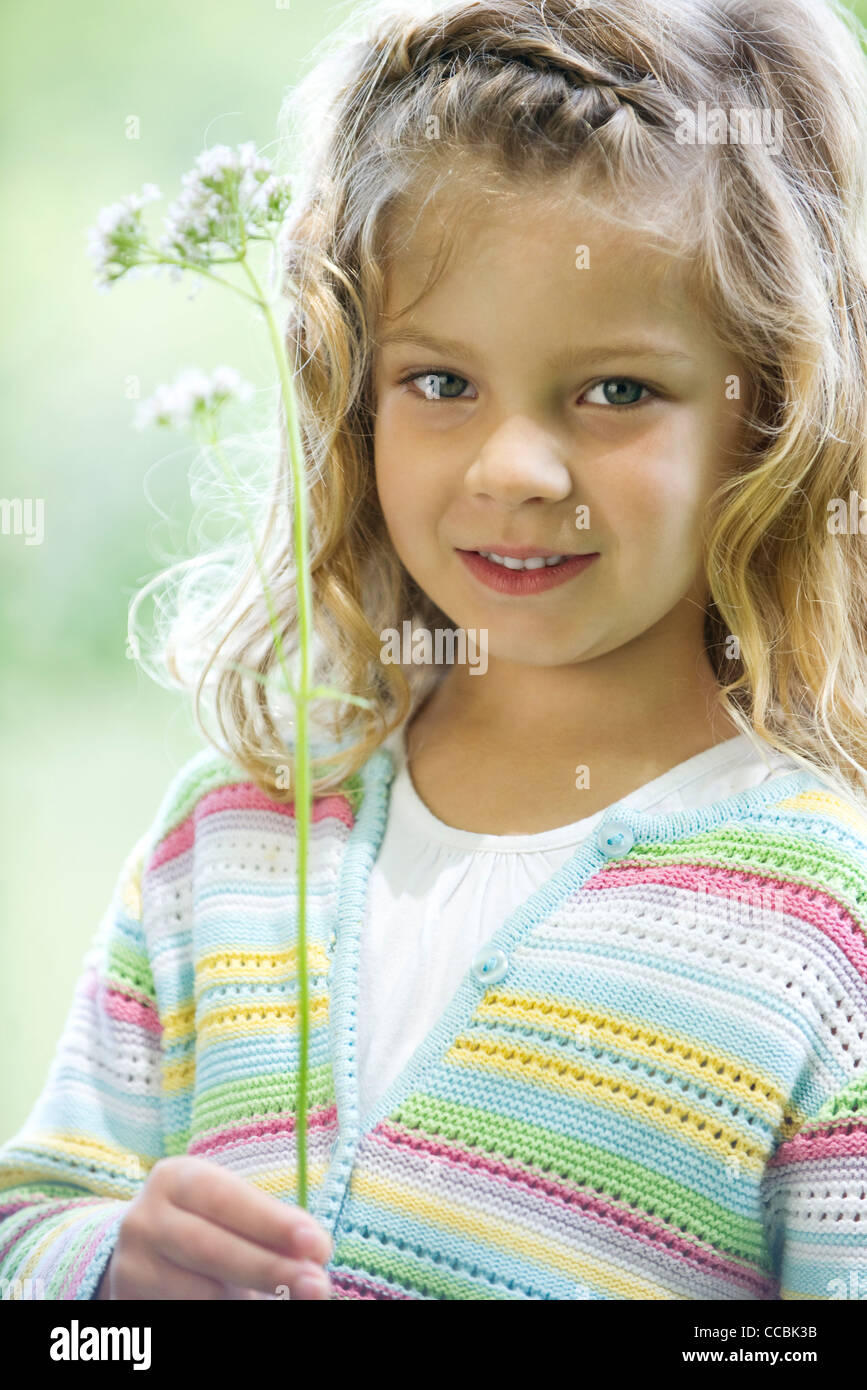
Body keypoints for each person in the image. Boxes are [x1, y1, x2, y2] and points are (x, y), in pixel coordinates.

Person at [2, 0, 867, 1301]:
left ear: (770, 413)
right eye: (441, 383)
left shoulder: (823, 923)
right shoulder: (231, 838)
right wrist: (106, 1286)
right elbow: (39, 1256)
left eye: (617, 390)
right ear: (353, 393)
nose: (514, 468)